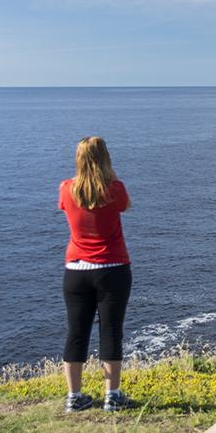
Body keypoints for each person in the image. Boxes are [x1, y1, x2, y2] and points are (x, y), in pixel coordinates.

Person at [58, 136, 134, 413]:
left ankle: (74, 396)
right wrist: (109, 175)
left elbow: (67, 207)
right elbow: (125, 206)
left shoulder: (66, 189)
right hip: (113, 269)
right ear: (105, 158)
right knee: (111, 331)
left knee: (76, 333)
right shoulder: (115, 189)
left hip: (76, 270)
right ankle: (112, 395)